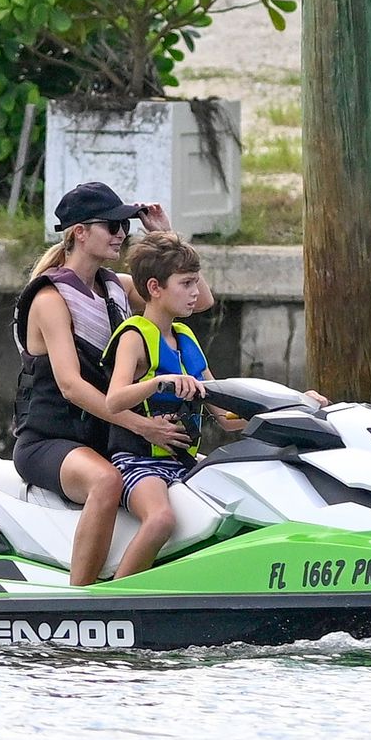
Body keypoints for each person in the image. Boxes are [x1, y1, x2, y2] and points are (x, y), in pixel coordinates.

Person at [12, 182, 214, 585]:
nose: (122, 233)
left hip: (102, 437)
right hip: (49, 440)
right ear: (79, 233)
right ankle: (83, 599)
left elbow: (198, 300)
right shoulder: (50, 299)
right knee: (107, 481)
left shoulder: (115, 286)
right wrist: (141, 425)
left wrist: (163, 235)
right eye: (111, 225)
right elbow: (70, 386)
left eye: (125, 223)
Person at [101, 232, 241, 577]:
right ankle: (114, 600)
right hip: (138, 462)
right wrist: (156, 383)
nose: (197, 292)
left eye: (196, 282)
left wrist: (290, 407)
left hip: (184, 462)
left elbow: (225, 416)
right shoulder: (134, 336)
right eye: (187, 283)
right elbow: (114, 399)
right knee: (162, 518)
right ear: (155, 287)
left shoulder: (187, 338)